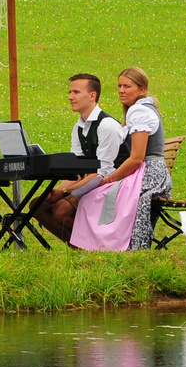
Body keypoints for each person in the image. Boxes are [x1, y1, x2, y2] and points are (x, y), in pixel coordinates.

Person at [71, 67, 172, 252]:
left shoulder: (139, 111)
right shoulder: (139, 109)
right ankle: (100, 245)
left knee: (94, 196)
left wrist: (110, 179)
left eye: (127, 86)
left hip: (149, 175)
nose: (121, 90)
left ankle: (107, 246)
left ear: (141, 89)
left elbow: (136, 158)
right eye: (119, 86)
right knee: (94, 194)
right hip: (148, 172)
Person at [30, 73, 126, 244]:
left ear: (92, 96)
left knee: (61, 210)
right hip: (92, 183)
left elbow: (103, 173)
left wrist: (65, 193)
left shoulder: (107, 125)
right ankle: (78, 246)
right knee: (38, 205)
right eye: (70, 92)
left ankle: (100, 245)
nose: (70, 97)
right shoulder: (79, 127)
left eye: (75, 92)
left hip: (113, 185)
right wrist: (57, 191)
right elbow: (76, 170)